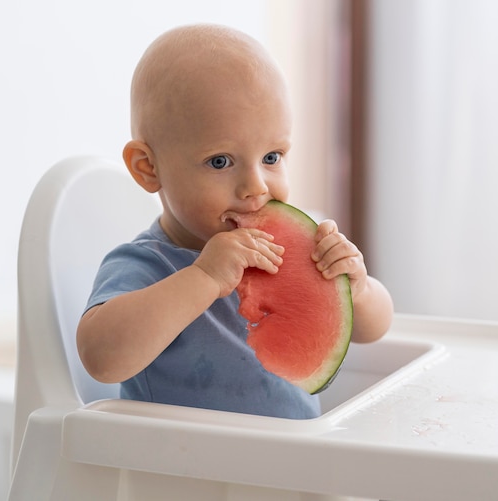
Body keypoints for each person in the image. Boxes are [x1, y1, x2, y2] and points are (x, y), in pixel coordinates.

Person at [76, 24, 394, 419]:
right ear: (149, 168)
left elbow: (373, 329)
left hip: (295, 463)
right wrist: (204, 277)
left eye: (272, 157)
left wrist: (358, 289)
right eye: (220, 162)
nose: (256, 187)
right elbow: (101, 358)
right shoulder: (147, 265)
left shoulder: (296, 246)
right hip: (187, 472)